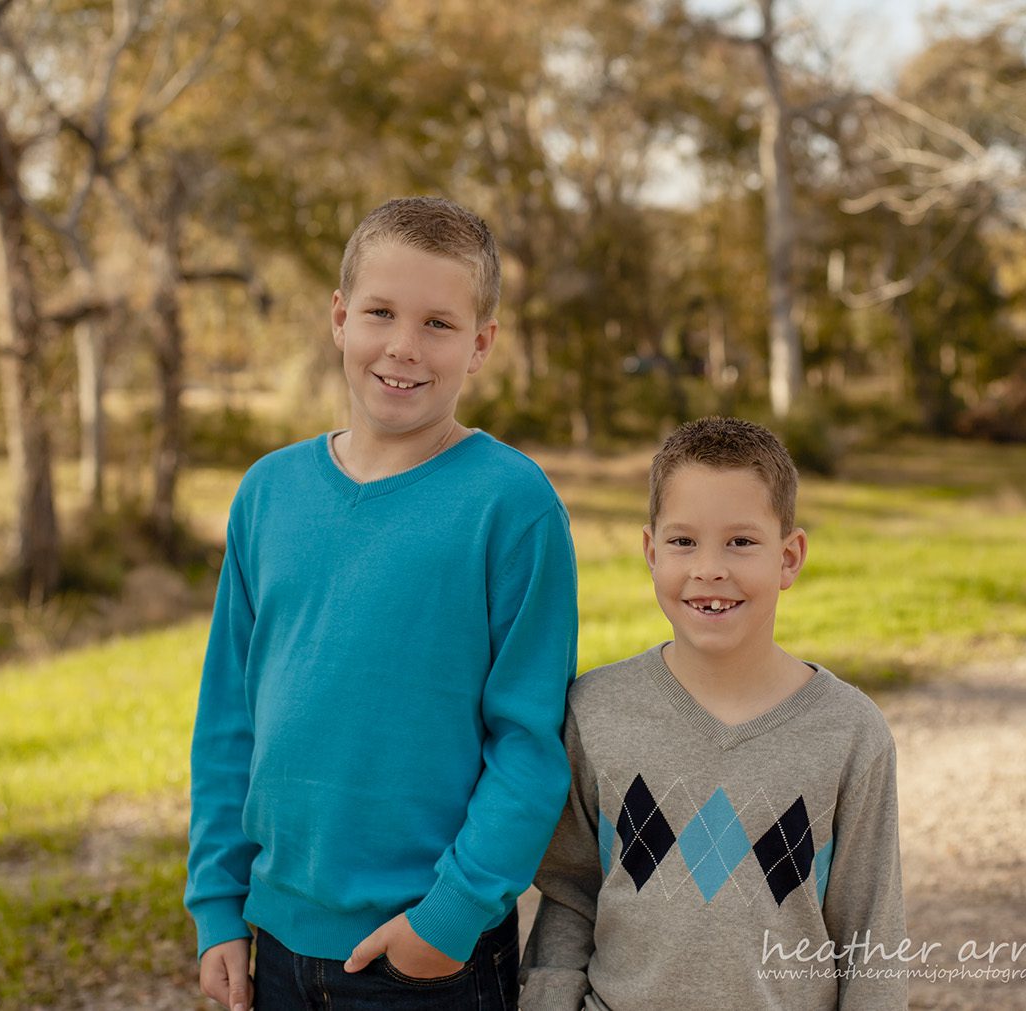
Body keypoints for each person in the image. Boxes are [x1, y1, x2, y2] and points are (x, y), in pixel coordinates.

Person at [186, 196, 578, 1011]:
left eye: (439, 323)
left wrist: (449, 919)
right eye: (380, 313)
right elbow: (229, 718)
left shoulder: (512, 504)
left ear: (481, 344)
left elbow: (529, 745)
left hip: (431, 953)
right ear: (339, 318)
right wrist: (218, 906)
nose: (403, 346)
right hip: (278, 945)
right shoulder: (269, 492)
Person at [520, 417, 906, 1010]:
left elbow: (870, 939)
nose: (709, 568)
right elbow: (570, 894)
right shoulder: (596, 713)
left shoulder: (849, 733)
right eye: (683, 542)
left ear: (790, 556)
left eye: (741, 542)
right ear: (651, 551)